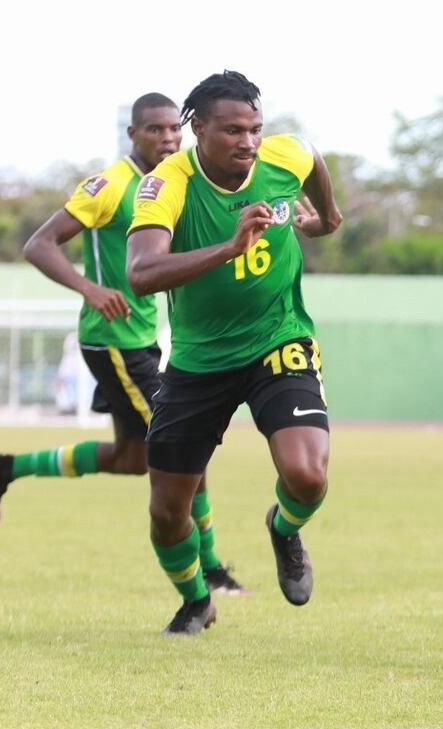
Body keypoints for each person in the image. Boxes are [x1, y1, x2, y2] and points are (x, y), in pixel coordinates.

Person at [0, 93, 246, 595]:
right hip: (115, 341)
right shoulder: (110, 186)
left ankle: (4, 467)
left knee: (130, 457)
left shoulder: (177, 181)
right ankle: (211, 571)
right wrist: (89, 289)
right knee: (188, 453)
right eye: (155, 130)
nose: (167, 138)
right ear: (133, 135)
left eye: (173, 130)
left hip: (140, 338)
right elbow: (38, 244)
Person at [125, 71, 342, 636]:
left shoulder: (281, 156)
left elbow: (311, 158)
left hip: (279, 337)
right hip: (199, 361)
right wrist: (229, 247)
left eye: (255, 129)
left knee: (308, 475)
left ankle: (284, 528)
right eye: (232, 131)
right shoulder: (167, 183)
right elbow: (141, 273)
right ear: (197, 129)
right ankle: (197, 599)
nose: (248, 142)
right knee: (168, 512)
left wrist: (329, 218)